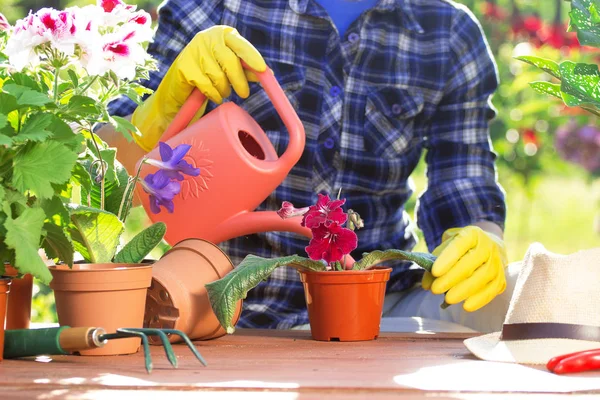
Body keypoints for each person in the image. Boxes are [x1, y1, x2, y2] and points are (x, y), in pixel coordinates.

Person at [99, 0, 517, 333]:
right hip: (220, 301)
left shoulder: (449, 34)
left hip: (380, 306)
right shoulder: (214, 7)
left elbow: (463, 178)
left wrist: (482, 237)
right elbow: (108, 181)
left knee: (514, 298)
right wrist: (160, 108)